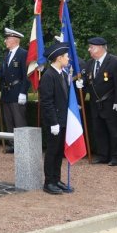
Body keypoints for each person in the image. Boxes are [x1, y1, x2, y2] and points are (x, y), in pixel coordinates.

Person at [78, 37, 117, 166]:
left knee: (114, 131)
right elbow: (89, 83)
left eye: (91, 47)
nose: (89, 50)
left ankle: (116, 157)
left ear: (100, 48)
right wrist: (81, 85)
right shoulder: (89, 63)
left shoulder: (115, 62)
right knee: (99, 131)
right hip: (95, 103)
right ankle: (103, 155)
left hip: (111, 103)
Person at [39, 42, 73, 195]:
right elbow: (47, 102)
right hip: (54, 121)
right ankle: (49, 182)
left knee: (59, 152)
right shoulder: (48, 75)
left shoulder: (63, 73)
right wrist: (53, 122)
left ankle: (56, 179)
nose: (68, 58)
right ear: (59, 58)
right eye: (66, 56)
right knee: (52, 151)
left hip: (63, 120)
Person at [0, 28, 30, 153]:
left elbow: (26, 75)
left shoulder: (23, 54)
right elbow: (3, 72)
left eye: (7, 39)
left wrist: (23, 92)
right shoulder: (7, 54)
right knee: (9, 120)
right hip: (6, 91)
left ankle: (22, 146)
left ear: (14, 40)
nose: (5, 41)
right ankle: (13, 144)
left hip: (17, 91)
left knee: (19, 120)